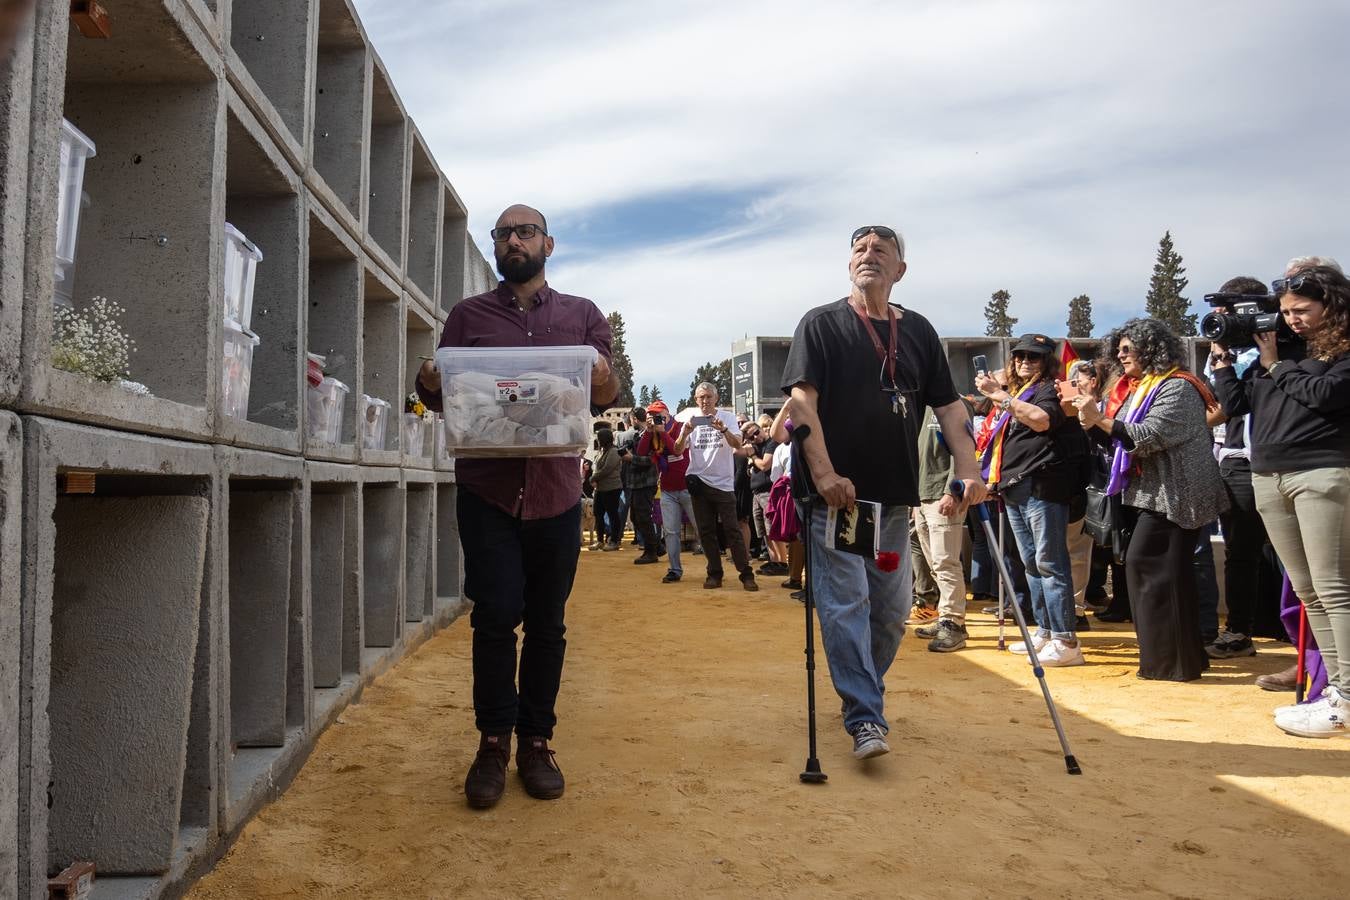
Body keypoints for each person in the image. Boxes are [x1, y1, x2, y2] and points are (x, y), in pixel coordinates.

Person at [415, 204, 619, 808]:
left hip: (556, 493)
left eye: (525, 232)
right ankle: (492, 742)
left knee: (548, 623)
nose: (513, 241)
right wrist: (430, 375)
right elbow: (437, 392)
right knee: (495, 616)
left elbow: (605, 392)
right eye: (503, 233)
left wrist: (597, 369)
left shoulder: (582, 315)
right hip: (488, 492)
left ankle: (536, 741)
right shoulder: (467, 316)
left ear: (547, 244)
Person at [781, 224, 985, 761]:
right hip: (840, 499)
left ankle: (862, 688)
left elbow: (950, 408)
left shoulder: (918, 331)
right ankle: (865, 715)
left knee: (892, 611)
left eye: (881, 249)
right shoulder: (821, 324)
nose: (868, 254)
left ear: (900, 269)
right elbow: (802, 404)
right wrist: (825, 474)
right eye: (859, 248)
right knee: (846, 601)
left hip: (894, 497)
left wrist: (969, 468)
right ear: (849, 263)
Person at [1211, 265, 1350, 737]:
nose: (1292, 319)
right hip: (1269, 475)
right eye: (1286, 311)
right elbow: (1238, 405)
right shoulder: (1279, 350)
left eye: (1302, 310)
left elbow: (1325, 394)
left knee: (1334, 589)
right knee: (1309, 591)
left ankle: (1348, 696)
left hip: (1320, 472)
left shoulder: (1339, 350)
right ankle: (1336, 691)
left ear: (1332, 305)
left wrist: (1274, 365)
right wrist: (1224, 362)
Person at [1075, 318, 1226, 682]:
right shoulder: (1141, 388)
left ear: (1152, 349)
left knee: (1149, 566)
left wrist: (1100, 419)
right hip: (1151, 494)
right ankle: (1179, 661)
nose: (1120, 355)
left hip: (1177, 495)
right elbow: (1120, 439)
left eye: (1128, 349)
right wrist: (1092, 424)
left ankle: (1168, 664)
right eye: (1119, 350)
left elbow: (1148, 436)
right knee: (1165, 572)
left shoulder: (1179, 387)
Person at [976, 333, 1089, 667]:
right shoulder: (1021, 391)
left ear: (1047, 361)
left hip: (1043, 485)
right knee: (1031, 563)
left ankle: (1066, 640)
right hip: (1015, 486)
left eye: (1034, 357)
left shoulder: (1051, 388)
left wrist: (1000, 396)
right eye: (1020, 356)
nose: (1025, 361)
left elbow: (1042, 421)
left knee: (1050, 562)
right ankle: (1045, 630)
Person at [675, 383, 759, 591]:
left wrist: (723, 429)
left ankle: (746, 574)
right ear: (696, 399)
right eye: (701, 397)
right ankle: (714, 573)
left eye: (708, 396)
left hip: (723, 484)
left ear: (716, 398)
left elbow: (737, 444)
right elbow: (677, 450)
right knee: (706, 532)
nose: (705, 401)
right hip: (699, 482)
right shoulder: (690, 419)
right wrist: (685, 433)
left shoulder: (727, 417)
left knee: (732, 530)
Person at [912, 401, 975, 652]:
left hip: (943, 494)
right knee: (936, 564)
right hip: (923, 495)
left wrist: (952, 490)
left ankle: (954, 623)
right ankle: (946, 617)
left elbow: (964, 451)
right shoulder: (918, 405)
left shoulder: (955, 404)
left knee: (946, 563)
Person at [637, 400, 697, 583]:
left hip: (687, 486)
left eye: (658, 415)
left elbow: (676, 450)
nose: (655, 418)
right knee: (670, 532)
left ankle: (714, 567)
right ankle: (674, 569)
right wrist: (649, 431)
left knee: (701, 528)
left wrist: (662, 431)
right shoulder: (653, 433)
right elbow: (641, 452)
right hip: (668, 489)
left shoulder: (680, 427)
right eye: (651, 415)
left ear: (667, 414)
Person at [621, 407, 663, 564]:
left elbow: (652, 460)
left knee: (643, 517)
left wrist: (631, 458)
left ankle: (651, 552)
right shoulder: (639, 435)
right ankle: (657, 547)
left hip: (645, 482)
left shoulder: (651, 434)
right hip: (636, 482)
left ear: (634, 419)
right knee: (637, 517)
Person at [590, 428, 623, 550]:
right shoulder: (602, 451)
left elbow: (606, 469)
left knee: (612, 514)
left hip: (612, 488)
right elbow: (596, 467)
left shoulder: (614, 451)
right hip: (600, 488)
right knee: (598, 514)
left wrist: (592, 478)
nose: (598, 441)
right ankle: (600, 540)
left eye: (599, 439)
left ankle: (614, 541)